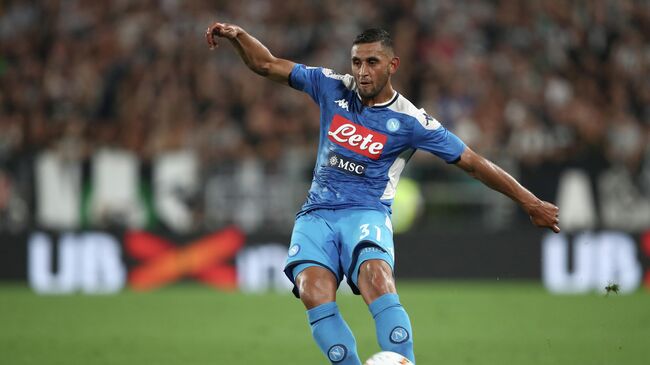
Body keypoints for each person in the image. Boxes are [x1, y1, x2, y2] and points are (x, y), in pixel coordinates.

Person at [206, 23, 560, 365]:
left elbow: (471, 161)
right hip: (316, 214)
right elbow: (266, 64)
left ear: (392, 65)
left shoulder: (410, 121)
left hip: (367, 212)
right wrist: (238, 36)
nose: (362, 71)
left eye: (372, 62)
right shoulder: (331, 86)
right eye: (357, 62)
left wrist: (531, 202)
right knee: (312, 290)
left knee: (376, 278)